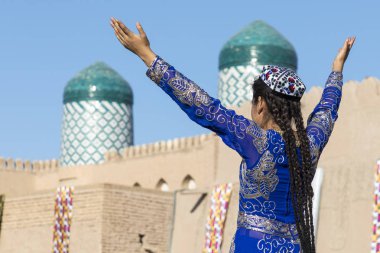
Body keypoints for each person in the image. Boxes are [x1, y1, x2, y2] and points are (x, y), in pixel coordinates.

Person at [109, 17, 355, 253]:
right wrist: (337, 70)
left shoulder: (255, 140)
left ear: (260, 104)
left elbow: (202, 104)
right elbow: (326, 110)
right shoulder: (310, 146)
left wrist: (146, 55)